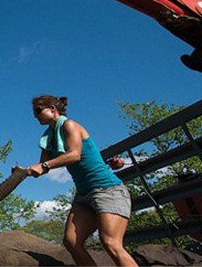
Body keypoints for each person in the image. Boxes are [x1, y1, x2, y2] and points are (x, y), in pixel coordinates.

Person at [27, 95, 138, 267]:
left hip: (107, 190)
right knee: (71, 242)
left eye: (38, 110)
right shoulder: (47, 137)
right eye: (34, 112)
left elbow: (74, 155)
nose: (35, 116)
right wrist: (26, 171)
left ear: (52, 109)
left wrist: (44, 166)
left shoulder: (69, 125)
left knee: (110, 242)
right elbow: (43, 165)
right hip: (84, 195)